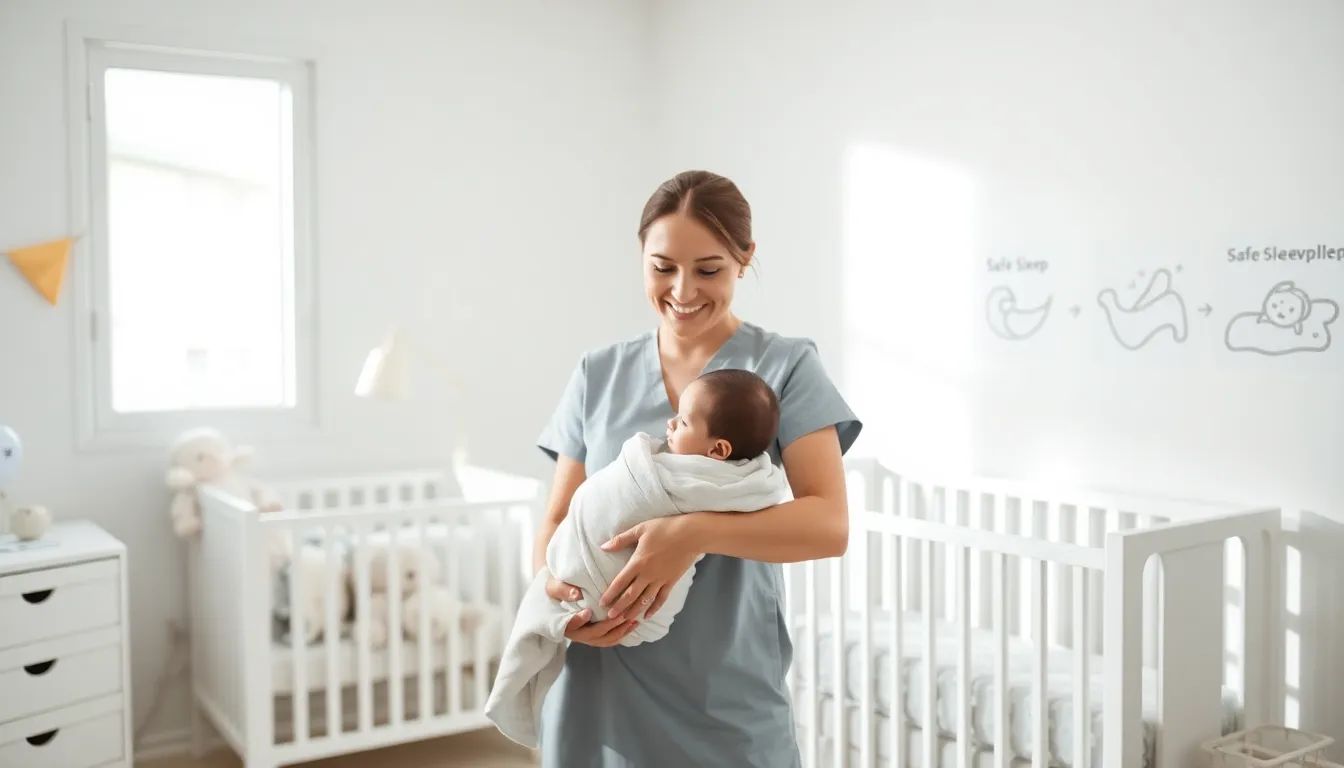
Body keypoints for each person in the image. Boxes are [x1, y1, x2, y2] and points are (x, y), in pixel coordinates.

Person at [533, 169, 863, 767]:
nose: (683, 290)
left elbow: (828, 524)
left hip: (723, 684)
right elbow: (559, 516)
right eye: (663, 266)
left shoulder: (785, 366)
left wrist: (691, 533)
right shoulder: (597, 372)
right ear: (642, 257)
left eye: (708, 269)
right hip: (598, 675)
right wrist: (557, 601)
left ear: (744, 260)